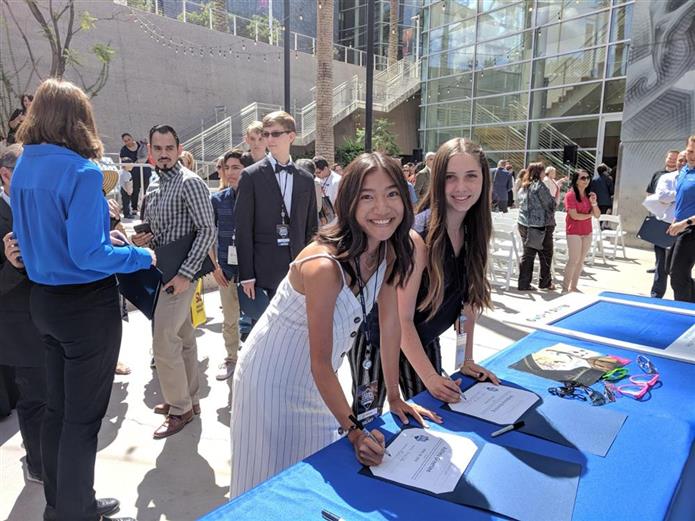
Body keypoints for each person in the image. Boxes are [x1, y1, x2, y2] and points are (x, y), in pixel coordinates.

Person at [229, 152, 439, 498]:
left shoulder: (387, 252)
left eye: (391, 194)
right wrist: (355, 430)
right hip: (271, 379)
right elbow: (319, 362)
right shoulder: (324, 266)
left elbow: (390, 325)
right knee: (266, 485)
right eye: (367, 196)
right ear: (348, 202)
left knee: (314, 481)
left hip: (319, 379)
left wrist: (396, 397)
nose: (382, 208)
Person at [10, 78, 155, 521]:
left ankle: (66, 503)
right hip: (84, 307)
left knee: (58, 411)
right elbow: (89, 255)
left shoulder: (24, 167)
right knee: (83, 419)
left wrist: (101, 241)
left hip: (44, 302)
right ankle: (73, 512)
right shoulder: (82, 170)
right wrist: (138, 253)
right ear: (79, 119)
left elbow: (50, 239)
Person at [349, 138, 500, 414]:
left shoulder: (473, 234)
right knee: (368, 420)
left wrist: (466, 359)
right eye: (451, 177)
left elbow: (468, 304)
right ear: (437, 180)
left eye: (471, 176)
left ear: (483, 180)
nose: (461, 187)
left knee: (436, 413)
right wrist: (430, 377)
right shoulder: (417, 237)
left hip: (424, 337)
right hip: (379, 339)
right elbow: (401, 319)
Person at [132, 124, 216, 439]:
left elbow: (207, 230)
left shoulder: (190, 183)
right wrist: (145, 236)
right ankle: (189, 401)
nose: (164, 154)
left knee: (163, 342)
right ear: (151, 151)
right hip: (162, 270)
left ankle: (179, 408)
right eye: (158, 148)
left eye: (170, 148)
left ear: (179, 149)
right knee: (183, 338)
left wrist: (186, 274)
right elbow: (159, 229)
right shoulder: (154, 184)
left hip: (180, 276)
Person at [235, 111, 318, 303]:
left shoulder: (306, 179)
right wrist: (247, 275)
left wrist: (312, 266)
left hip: (299, 269)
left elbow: (312, 228)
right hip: (264, 272)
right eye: (266, 134)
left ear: (291, 136)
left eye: (275, 133)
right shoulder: (250, 176)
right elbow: (243, 229)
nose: (269, 139)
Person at [0, 144, 46, 486]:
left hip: (49, 318)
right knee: (34, 401)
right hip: (18, 326)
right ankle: (39, 466)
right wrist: (12, 267)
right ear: (5, 175)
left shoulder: (35, 204)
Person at [211, 149, 244, 381]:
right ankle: (231, 357)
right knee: (230, 318)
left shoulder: (256, 198)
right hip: (226, 269)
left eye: (236, 167)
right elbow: (207, 236)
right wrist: (215, 267)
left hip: (253, 271)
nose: (231, 172)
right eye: (227, 167)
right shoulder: (217, 200)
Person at [643, 149, 679, 296]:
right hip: (660, 218)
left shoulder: (683, 177)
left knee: (677, 262)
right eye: (669, 158)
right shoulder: (658, 175)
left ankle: (683, 295)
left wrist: (667, 198)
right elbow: (651, 194)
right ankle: (656, 294)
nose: (671, 161)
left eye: (675, 159)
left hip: (679, 222)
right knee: (660, 258)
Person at [517, 162, 557, 291]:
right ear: (538, 172)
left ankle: (524, 283)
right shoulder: (539, 186)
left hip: (524, 223)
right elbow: (550, 205)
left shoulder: (524, 186)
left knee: (528, 254)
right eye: (543, 171)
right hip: (539, 225)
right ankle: (544, 282)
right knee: (545, 254)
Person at [562, 169, 600, 293]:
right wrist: (590, 215)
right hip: (574, 231)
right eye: (583, 178)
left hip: (587, 231)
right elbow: (574, 216)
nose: (586, 180)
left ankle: (574, 287)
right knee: (573, 259)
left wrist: (594, 203)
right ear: (576, 181)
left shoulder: (590, 195)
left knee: (581, 260)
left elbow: (598, 214)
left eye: (588, 177)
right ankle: (564, 287)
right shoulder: (570, 195)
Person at [667, 136, 695, 302]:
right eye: (691, 151)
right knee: (670, 270)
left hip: (691, 228)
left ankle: (685, 316)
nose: (693, 156)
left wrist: (685, 222)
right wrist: (676, 219)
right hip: (680, 225)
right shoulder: (684, 171)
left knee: (678, 276)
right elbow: (682, 199)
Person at [119, 132, 150, 214]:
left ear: (132, 138)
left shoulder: (141, 145)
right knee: (135, 189)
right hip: (133, 172)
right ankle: (134, 208)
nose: (128, 142)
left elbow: (147, 154)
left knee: (145, 188)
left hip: (145, 170)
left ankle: (145, 207)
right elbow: (124, 163)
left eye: (129, 139)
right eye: (125, 141)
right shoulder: (124, 150)